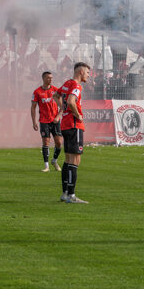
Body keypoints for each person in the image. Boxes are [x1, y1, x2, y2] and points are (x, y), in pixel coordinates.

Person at [59, 62, 92, 204]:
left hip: (65, 125)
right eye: (87, 72)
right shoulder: (77, 86)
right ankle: (71, 196)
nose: (89, 75)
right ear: (81, 72)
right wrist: (77, 114)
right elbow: (72, 101)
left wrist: (63, 109)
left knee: (67, 159)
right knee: (75, 160)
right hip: (74, 125)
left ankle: (65, 193)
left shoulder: (67, 83)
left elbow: (56, 95)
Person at [31, 71, 63, 172]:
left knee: (58, 142)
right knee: (46, 142)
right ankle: (46, 166)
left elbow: (62, 106)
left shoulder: (56, 91)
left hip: (55, 121)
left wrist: (58, 116)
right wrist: (34, 122)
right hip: (44, 121)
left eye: (51, 78)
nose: (51, 79)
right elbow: (33, 107)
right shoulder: (37, 92)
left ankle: (54, 160)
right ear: (43, 79)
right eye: (48, 78)